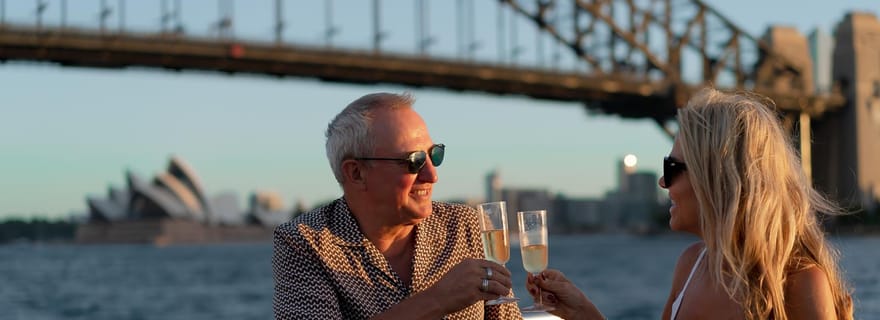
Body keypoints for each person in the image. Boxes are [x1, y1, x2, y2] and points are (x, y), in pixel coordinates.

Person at [526, 88, 854, 320]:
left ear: (717, 179)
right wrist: (581, 312)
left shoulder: (799, 284)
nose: (662, 182)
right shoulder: (690, 265)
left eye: (671, 168)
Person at [272, 92, 521, 319]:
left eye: (434, 155)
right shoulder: (305, 243)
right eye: (414, 161)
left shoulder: (465, 226)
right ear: (356, 173)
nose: (432, 176)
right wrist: (437, 300)